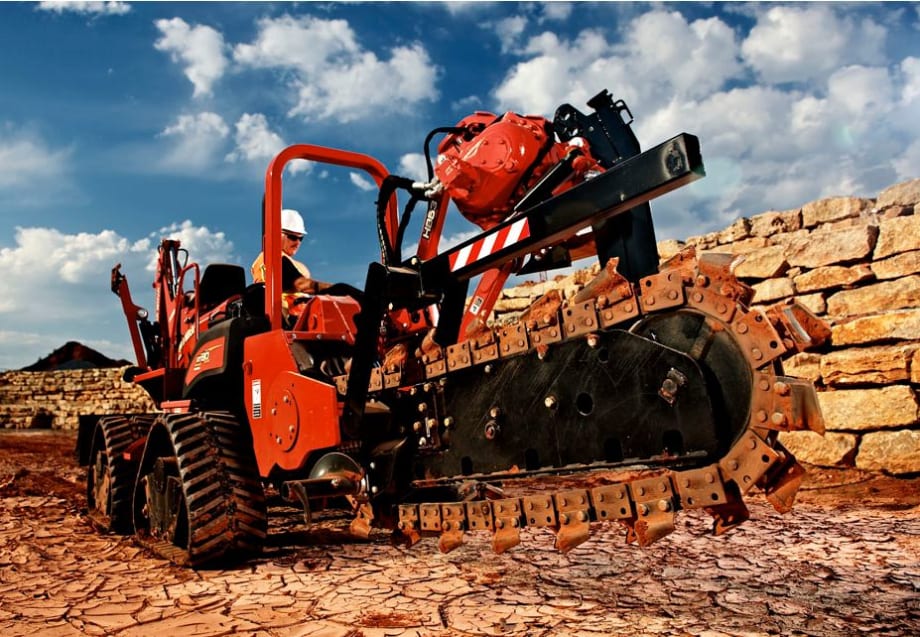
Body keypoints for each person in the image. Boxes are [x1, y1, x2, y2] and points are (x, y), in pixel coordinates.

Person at [251, 208, 333, 294]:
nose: (298, 242)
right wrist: (333, 289)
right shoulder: (269, 257)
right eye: (293, 237)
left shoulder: (301, 267)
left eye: (300, 238)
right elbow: (300, 284)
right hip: (276, 306)